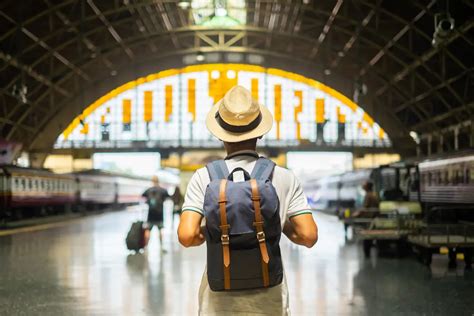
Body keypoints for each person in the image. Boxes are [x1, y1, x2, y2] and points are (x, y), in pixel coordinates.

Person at [177, 85, 318, 315]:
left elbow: (186, 235)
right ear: (260, 132)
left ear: (219, 134)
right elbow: (308, 236)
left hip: (217, 301)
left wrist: (213, 229)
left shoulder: (204, 177)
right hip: (269, 299)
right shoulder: (283, 177)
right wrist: (274, 222)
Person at [142, 175, 170, 252]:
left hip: (150, 214)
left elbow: (143, 196)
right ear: (158, 181)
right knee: (160, 230)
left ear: (152, 181)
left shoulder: (148, 190)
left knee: (148, 230)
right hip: (159, 213)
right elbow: (167, 196)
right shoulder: (162, 190)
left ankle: (146, 247)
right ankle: (161, 247)